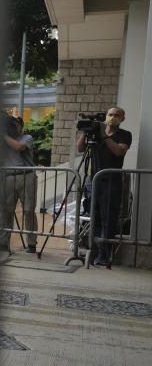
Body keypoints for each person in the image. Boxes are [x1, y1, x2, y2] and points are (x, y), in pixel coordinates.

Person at [77, 106, 132, 265]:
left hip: (111, 181)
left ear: (122, 119)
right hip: (93, 180)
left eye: (117, 115)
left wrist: (104, 135)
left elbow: (119, 152)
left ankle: (104, 254)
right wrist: (86, 132)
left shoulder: (124, 135)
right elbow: (80, 148)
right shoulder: (95, 133)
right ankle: (91, 251)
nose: (113, 117)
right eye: (110, 114)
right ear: (106, 116)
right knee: (93, 215)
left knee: (108, 217)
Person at [0, 113, 37, 253]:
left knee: (28, 210)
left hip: (26, 176)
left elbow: (19, 147)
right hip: (8, 177)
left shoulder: (26, 138)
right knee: (5, 211)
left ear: (21, 127)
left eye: (16, 125)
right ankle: (3, 242)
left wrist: (3, 135)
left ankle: (32, 243)